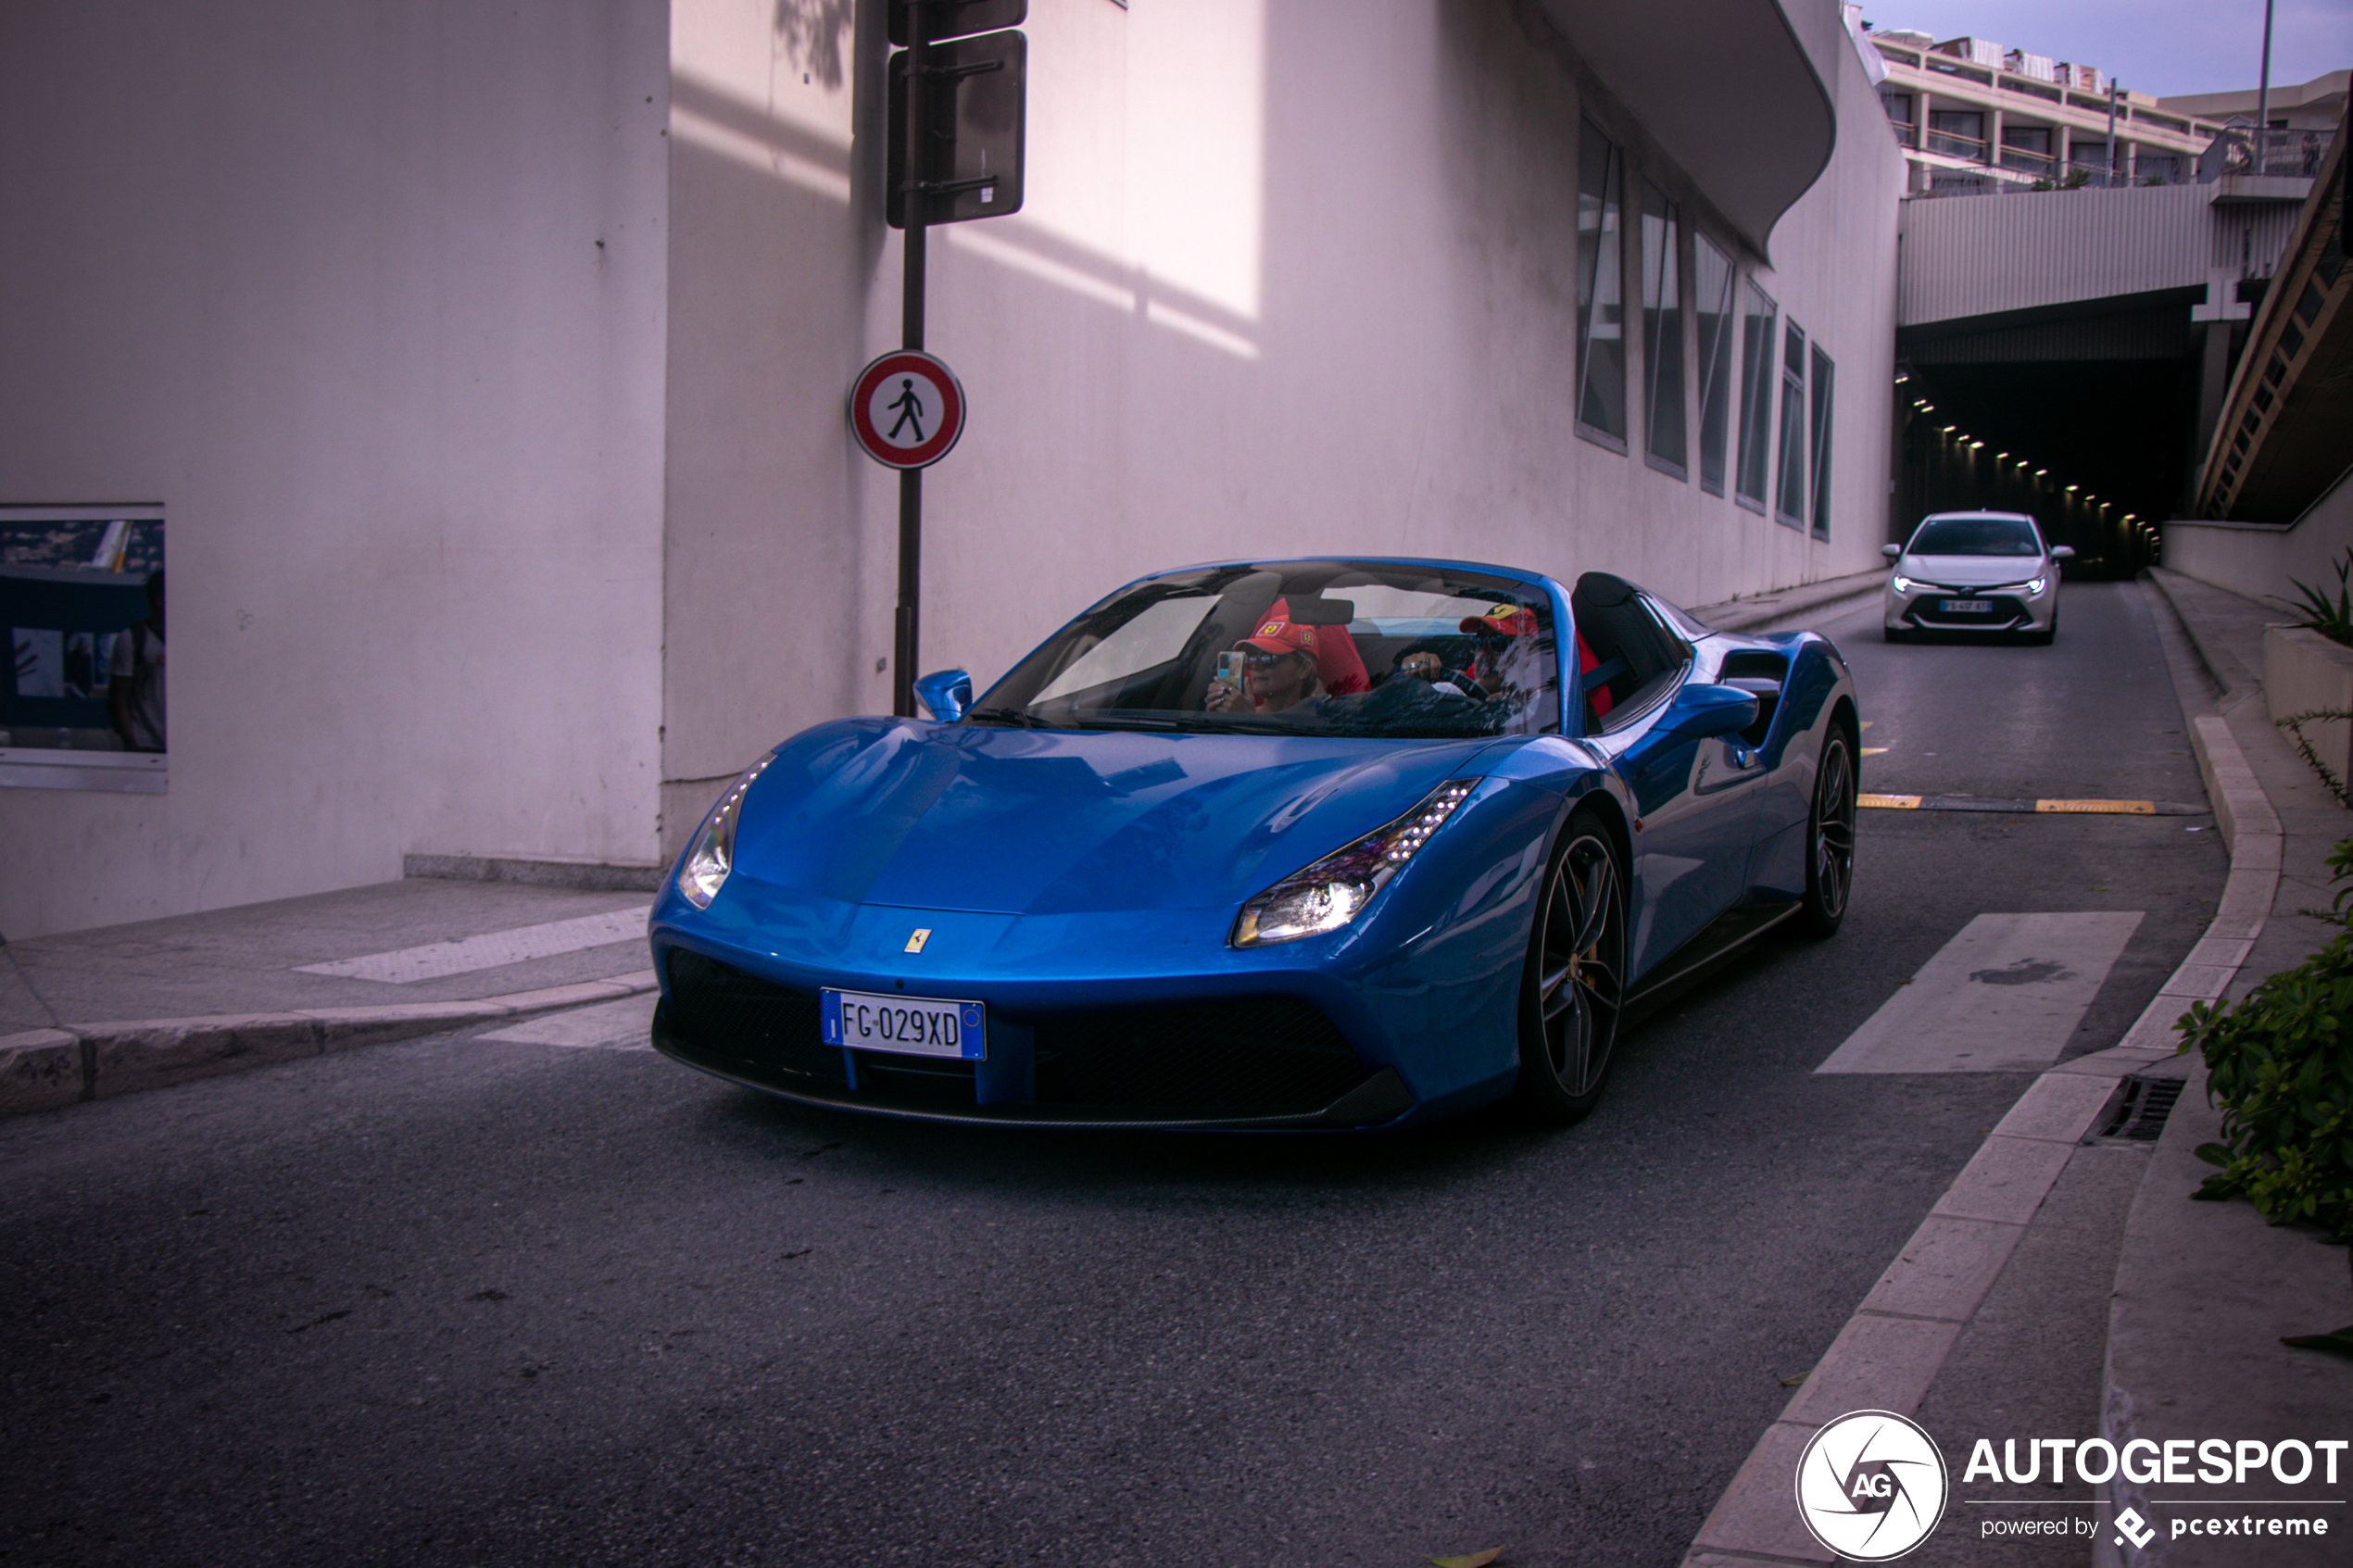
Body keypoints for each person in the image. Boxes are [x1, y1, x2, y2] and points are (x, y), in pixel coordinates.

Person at [1206, 604, 1327, 715]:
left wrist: (1247, 722)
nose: (1255, 666)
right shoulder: (1240, 712)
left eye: (1269, 657)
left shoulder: (1317, 723)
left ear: (1304, 669)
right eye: (1251, 657)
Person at [107, 570, 165, 752]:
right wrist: (131, 743)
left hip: (186, 747)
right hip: (146, 743)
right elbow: (118, 697)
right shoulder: (133, 638)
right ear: (160, 600)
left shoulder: (195, 641)